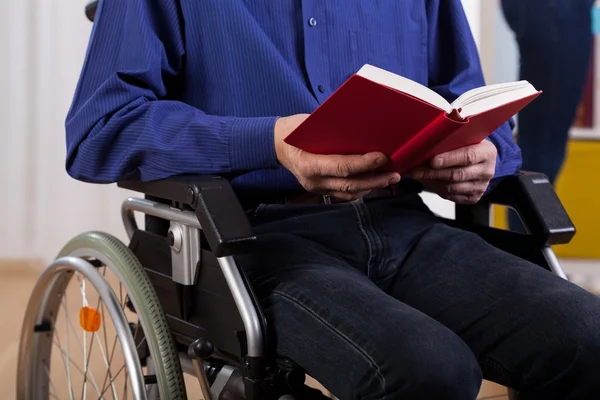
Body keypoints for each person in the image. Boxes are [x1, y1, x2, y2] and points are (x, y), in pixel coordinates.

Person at [65, 1, 600, 399]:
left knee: (586, 336)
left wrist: (483, 152)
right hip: (250, 239)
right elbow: (99, 132)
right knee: (430, 369)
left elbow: (466, 101)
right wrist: (269, 141)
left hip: (403, 223)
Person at [501, 0, 595, 231]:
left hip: (550, 11)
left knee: (540, 146)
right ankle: (525, 256)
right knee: (542, 152)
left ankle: (524, 253)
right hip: (557, 10)